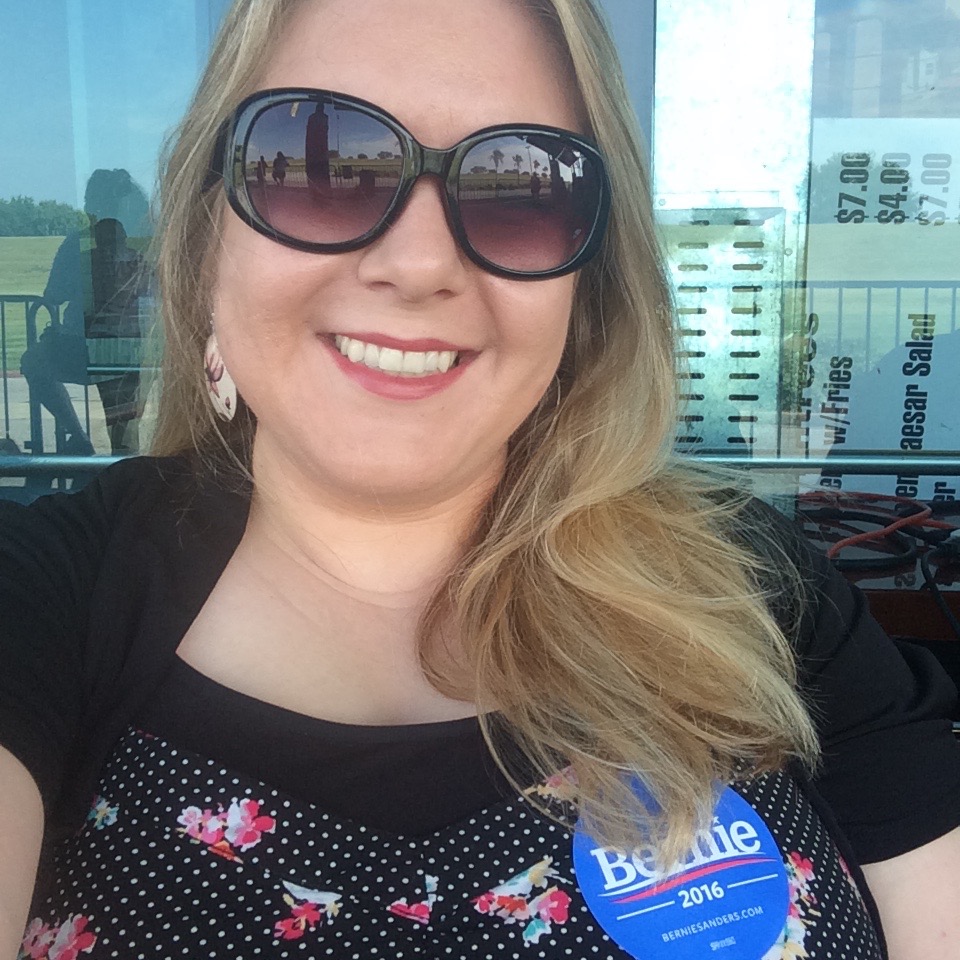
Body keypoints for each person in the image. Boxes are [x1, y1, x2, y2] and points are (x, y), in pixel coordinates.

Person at [2, 1, 959, 959]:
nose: (420, 265)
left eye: (522, 188)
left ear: (586, 284)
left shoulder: (747, 579)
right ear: (211, 237)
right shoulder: (48, 597)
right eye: (321, 165)